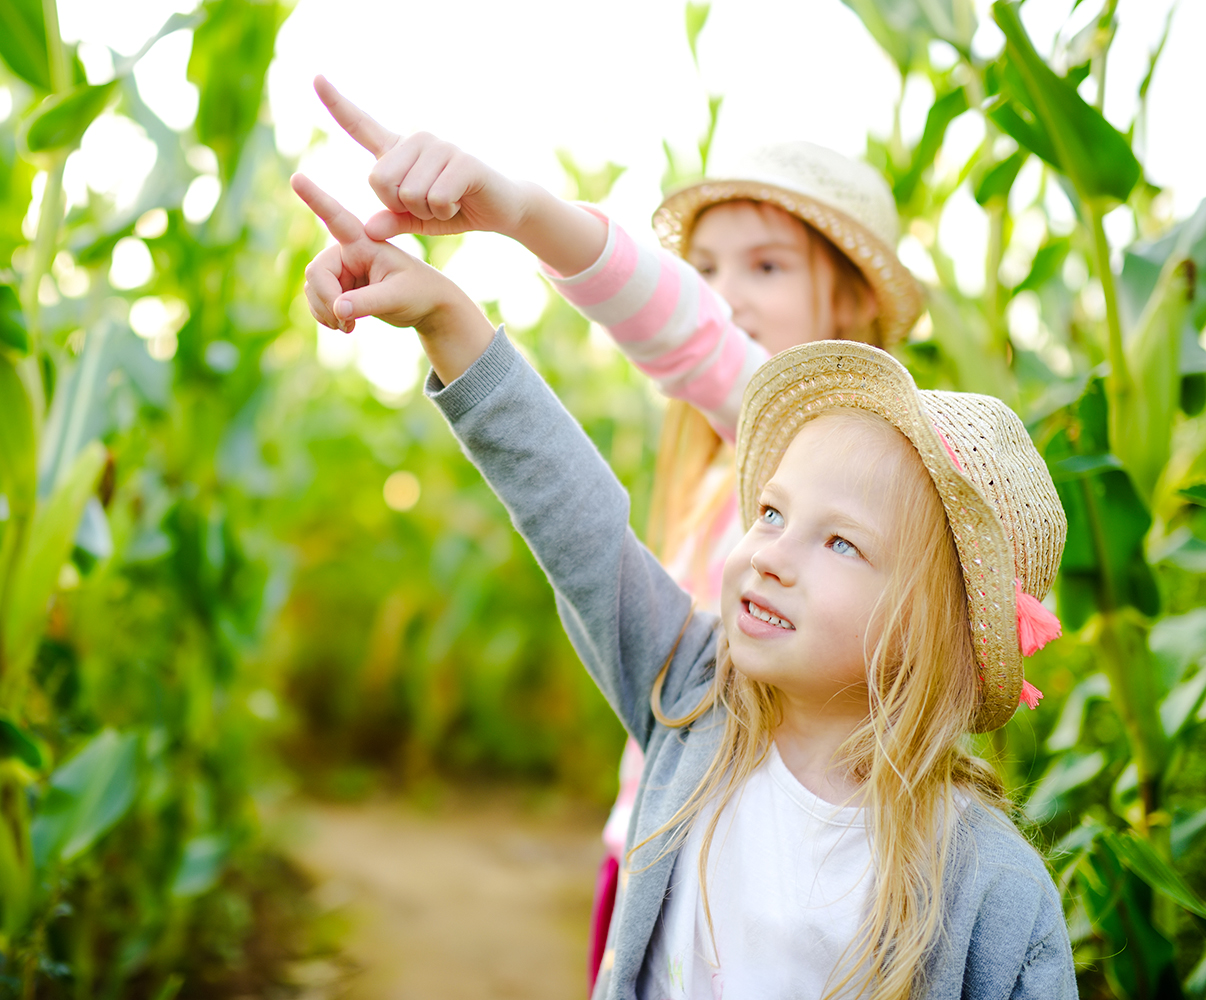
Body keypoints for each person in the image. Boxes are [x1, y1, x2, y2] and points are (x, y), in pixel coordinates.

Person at [292, 173, 1075, 999]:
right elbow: (578, 524)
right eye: (770, 513)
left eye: (840, 541)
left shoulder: (993, 891)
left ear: (936, 630)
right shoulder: (689, 702)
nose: (770, 553)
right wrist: (449, 320)